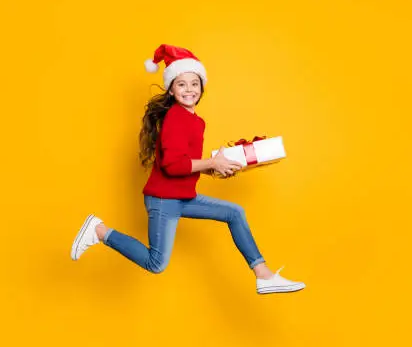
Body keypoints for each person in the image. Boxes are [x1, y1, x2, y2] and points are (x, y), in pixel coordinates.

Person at [71, 44, 305, 294]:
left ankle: (264, 275)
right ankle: (99, 230)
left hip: (182, 197)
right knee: (156, 263)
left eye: (194, 84)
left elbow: (182, 160)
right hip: (164, 200)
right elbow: (172, 166)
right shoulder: (176, 117)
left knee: (234, 213)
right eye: (181, 84)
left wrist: (214, 168)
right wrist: (211, 163)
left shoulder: (194, 120)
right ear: (171, 89)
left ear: (202, 87)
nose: (189, 89)